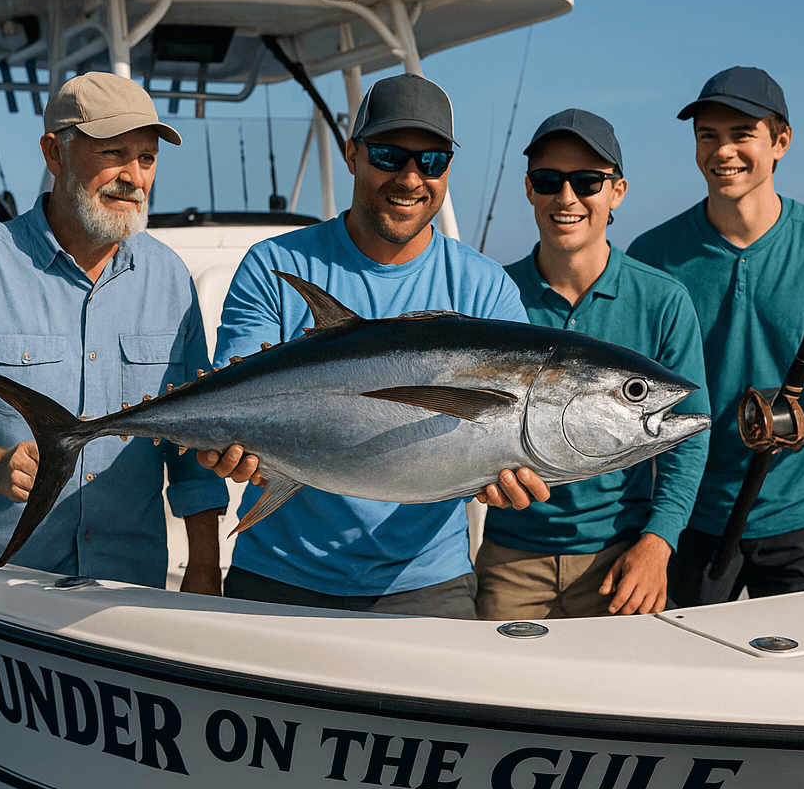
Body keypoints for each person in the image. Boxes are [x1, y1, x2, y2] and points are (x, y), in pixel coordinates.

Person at [198, 73, 550, 618]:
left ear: (448, 170)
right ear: (352, 153)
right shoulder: (273, 266)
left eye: (431, 162)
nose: (410, 178)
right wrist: (231, 448)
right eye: (389, 155)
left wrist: (510, 479)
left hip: (428, 583)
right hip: (279, 574)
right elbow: (235, 399)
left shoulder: (485, 288)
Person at [0, 72, 228, 591]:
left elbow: (193, 434)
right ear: (54, 154)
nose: (133, 176)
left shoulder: (170, 277)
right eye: (114, 153)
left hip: (129, 591)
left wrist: (204, 564)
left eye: (147, 158)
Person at [628, 67, 804, 606]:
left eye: (740, 135)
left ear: (780, 142)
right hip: (690, 518)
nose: (722, 151)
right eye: (708, 136)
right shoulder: (653, 255)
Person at [478, 109, 710, 619]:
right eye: (548, 180)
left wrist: (658, 545)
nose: (567, 198)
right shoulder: (492, 295)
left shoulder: (662, 299)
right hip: (507, 558)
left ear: (617, 192)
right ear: (529, 189)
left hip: (621, 558)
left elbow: (686, 443)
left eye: (587, 182)